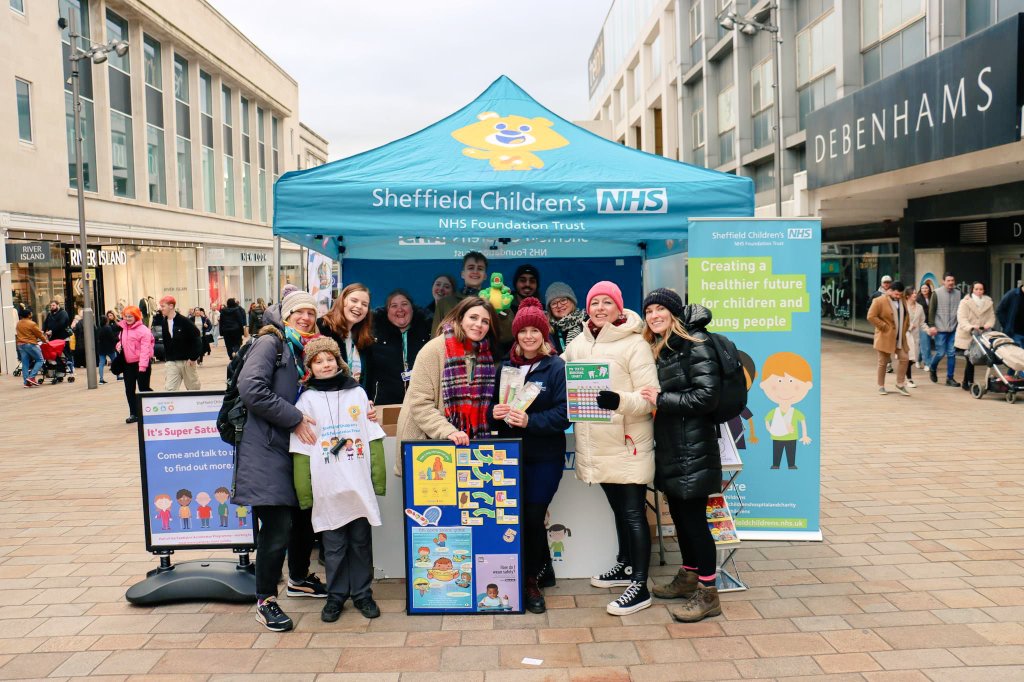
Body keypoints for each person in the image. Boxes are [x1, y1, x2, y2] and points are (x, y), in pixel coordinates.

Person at [232, 290, 328, 632]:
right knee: (277, 528)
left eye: (310, 313)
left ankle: (299, 578)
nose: (305, 317)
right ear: (285, 314)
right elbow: (251, 387)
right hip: (266, 448)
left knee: (302, 517)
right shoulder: (270, 343)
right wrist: (294, 418)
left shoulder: (299, 347)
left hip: (291, 449)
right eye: (298, 311)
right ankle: (265, 600)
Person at [562, 281, 659, 616]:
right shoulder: (578, 344)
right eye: (595, 302)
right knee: (619, 510)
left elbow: (649, 398)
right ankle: (626, 565)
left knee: (633, 512)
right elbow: (559, 374)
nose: (600, 308)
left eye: (607, 302)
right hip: (596, 444)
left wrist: (619, 401)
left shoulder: (635, 345)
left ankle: (641, 586)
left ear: (620, 308)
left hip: (627, 444)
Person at [640, 289, 724, 623]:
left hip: (693, 448)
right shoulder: (664, 346)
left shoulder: (696, 342)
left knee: (694, 522)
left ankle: (708, 593)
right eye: (649, 310)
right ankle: (689, 576)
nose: (654, 315)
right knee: (680, 516)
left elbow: (707, 397)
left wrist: (663, 399)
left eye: (661, 308)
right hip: (674, 447)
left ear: (675, 313)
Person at [290, 337, 386, 622]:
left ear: (338, 360)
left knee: (360, 543)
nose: (325, 364)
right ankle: (335, 597)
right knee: (333, 547)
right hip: (327, 488)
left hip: (356, 484)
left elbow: (373, 437)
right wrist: (304, 492)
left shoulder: (357, 393)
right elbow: (301, 450)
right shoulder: (306, 400)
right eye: (318, 361)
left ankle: (362, 594)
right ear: (309, 367)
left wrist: (377, 479)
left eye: (329, 358)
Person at [490, 298, 569, 614]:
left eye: (536, 330)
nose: (529, 337)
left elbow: (565, 413)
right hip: (510, 455)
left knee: (533, 517)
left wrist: (531, 421)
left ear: (544, 335)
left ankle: (528, 584)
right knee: (519, 517)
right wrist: (494, 413)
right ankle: (543, 570)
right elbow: (490, 414)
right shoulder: (504, 368)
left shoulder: (556, 367)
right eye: (524, 331)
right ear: (517, 334)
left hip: (545, 456)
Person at [396, 296, 498, 452]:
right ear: (460, 318)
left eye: (485, 321)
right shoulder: (433, 349)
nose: (479, 325)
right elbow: (420, 404)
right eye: (473, 317)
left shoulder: (485, 356)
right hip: (428, 443)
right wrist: (448, 431)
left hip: (467, 444)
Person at [431, 253, 514, 353]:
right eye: (471, 268)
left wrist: (502, 310)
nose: (475, 271)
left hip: (485, 361)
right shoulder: (445, 302)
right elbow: (435, 338)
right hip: (452, 362)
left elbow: (508, 336)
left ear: (485, 276)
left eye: (480, 268)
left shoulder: (494, 300)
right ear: (462, 274)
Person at [369, 289, 432, 405]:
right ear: (387, 311)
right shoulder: (374, 336)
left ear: (412, 309)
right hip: (385, 403)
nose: (400, 309)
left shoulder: (427, 334)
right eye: (393, 306)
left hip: (420, 404)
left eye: (404, 304)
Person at [317, 284, 375, 389]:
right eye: (354, 300)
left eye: (364, 304)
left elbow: (368, 378)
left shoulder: (364, 338)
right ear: (342, 301)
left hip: (356, 402)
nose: (359, 306)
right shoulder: (321, 328)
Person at [867, 281, 911, 396]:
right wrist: (884, 327)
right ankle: (881, 386)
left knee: (905, 358)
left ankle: (900, 384)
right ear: (890, 290)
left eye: (900, 295)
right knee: (883, 362)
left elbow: (906, 315)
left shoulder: (902, 300)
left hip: (900, 337)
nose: (898, 296)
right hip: (885, 337)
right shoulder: (879, 300)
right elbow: (871, 316)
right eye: (896, 294)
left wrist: (906, 327)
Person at [154, 296, 202, 391]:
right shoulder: (164, 322)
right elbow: (167, 341)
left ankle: (194, 405)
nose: (161, 308)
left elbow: (197, 338)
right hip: (172, 362)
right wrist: (167, 358)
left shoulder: (185, 321)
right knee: (170, 389)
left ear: (171, 306)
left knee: (193, 389)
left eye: (163, 306)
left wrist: (193, 358)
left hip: (187, 361)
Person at [955, 281, 995, 392]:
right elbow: (961, 318)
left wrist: (988, 325)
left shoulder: (988, 302)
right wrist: (971, 327)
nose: (978, 291)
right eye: (976, 289)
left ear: (984, 290)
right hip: (968, 334)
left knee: (973, 358)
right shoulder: (965, 302)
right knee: (970, 358)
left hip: (982, 333)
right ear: (972, 289)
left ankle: (966, 381)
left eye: (981, 289)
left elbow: (991, 317)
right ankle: (968, 382)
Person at [117, 306, 154, 423]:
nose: (127, 319)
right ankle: (134, 413)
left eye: (130, 316)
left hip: (141, 363)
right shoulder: (123, 329)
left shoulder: (143, 330)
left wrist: (142, 367)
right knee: (129, 390)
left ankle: (151, 410)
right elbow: (120, 341)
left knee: (143, 388)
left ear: (136, 316)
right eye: (126, 316)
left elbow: (145, 349)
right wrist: (118, 345)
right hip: (128, 365)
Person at [927, 273, 963, 386]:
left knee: (952, 353)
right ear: (943, 281)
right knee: (940, 353)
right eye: (948, 280)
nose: (951, 282)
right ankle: (933, 367)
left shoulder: (959, 294)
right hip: (940, 328)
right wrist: (931, 325)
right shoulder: (936, 293)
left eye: (952, 280)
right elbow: (931, 310)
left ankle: (950, 378)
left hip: (953, 328)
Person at [545, 281, 586, 354]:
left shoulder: (587, 322)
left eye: (563, 300)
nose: (559, 305)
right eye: (554, 303)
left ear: (572, 301)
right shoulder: (548, 330)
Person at [15, 308, 46, 388]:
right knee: (40, 360)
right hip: (30, 344)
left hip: (20, 345)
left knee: (25, 363)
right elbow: (39, 334)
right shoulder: (31, 323)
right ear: (29, 315)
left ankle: (26, 382)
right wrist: (45, 340)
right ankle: (31, 377)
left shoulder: (18, 323)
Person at [43, 300, 73, 371]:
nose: (52, 307)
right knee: (55, 354)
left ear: (58, 305)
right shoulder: (50, 314)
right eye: (51, 306)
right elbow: (45, 323)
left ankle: (70, 368)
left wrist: (51, 331)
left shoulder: (63, 313)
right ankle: (58, 368)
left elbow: (61, 324)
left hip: (62, 337)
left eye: (53, 305)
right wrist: (43, 330)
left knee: (66, 353)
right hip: (53, 338)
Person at [904, 288, 925, 384]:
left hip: (915, 336)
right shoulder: (903, 306)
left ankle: (904, 375)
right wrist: (909, 326)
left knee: (913, 358)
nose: (915, 294)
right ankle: (909, 379)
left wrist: (929, 330)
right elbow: (899, 321)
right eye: (913, 293)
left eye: (916, 292)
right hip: (905, 335)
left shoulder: (920, 307)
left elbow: (922, 322)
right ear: (908, 295)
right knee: (908, 357)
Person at [996, 281, 1024, 347]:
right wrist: (1007, 326)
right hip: (1015, 334)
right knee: (1017, 356)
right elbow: (1000, 310)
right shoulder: (1013, 294)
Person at [96, 310, 120, 384]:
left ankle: (101, 379)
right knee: (115, 361)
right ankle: (118, 376)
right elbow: (112, 338)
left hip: (101, 348)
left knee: (101, 363)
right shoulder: (108, 328)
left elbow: (97, 338)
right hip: (110, 348)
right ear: (106, 320)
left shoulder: (99, 328)